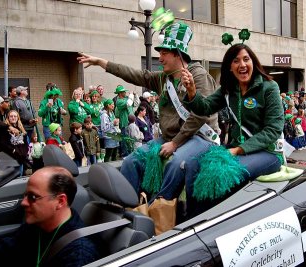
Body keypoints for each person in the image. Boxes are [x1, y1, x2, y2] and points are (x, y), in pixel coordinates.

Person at [77, 22, 219, 206]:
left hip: (199, 136)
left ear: (177, 53)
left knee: (177, 163)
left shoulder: (198, 76)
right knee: (131, 161)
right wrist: (101, 62)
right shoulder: (163, 78)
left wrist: (175, 143)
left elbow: (201, 116)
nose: (159, 58)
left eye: (164, 53)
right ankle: (128, 208)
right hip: (171, 136)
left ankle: (156, 208)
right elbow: (133, 74)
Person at [182, 43, 283, 217]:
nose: (242, 65)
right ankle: (193, 219)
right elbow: (205, 108)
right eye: (236, 61)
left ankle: (210, 220)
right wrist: (192, 92)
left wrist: (237, 150)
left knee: (223, 174)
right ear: (230, 67)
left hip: (267, 153)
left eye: (246, 59)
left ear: (253, 62)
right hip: (235, 150)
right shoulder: (228, 90)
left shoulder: (269, 87)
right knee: (192, 165)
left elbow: (273, 129)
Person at [0, 166, 100, 266]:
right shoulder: (36, 227)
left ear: (60, 201)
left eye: (33, 197)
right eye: (25, 195)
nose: (24, 202)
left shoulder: (79, 253)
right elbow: (1, 252)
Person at [114, 85, 139, 157]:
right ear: (120, 93)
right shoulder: (118, 101)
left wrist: (136, 95)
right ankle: (125, 155)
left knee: (132, 139)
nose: (125, 92)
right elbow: (128, 103)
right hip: (125, 123)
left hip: (132, 123)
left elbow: (136, 103)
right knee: (125, 140)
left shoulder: (128, 98)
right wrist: (131, 94)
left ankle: (131, 154)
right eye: (123, 91)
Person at [2, 110, 29, 175]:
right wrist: (14, 150)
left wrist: (24, 153)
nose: (13, 118)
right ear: (8, 118)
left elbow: (25, 143)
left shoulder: (21, 129)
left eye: (15, 116)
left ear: (18, 118)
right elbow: (4, 144)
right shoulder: (5, 129)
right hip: (11, 159)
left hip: (20, 159)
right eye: (11, 116)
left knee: (20, 175)